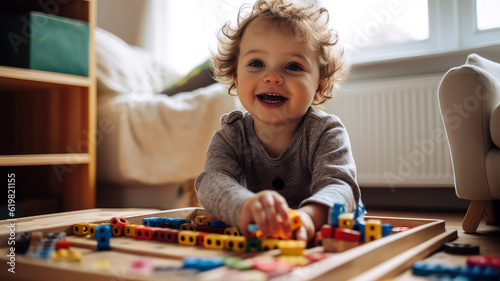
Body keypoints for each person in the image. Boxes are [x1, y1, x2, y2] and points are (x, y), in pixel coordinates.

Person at [195, 0, 359, 242]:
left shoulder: (326, 132)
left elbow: (342, 188)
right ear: (236, 78)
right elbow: (210, 181)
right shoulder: (231, 134)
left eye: (293, 66)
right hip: (256, 242)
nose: (272, 77)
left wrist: (307, 217)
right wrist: (245, 206)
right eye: (257, 63)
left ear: (318, 87)